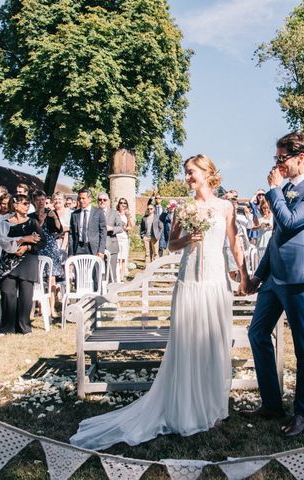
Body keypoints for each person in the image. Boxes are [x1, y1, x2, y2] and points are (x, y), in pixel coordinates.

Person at [71, 154, 248, 449]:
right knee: (189, 344)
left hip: (217, 283)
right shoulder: (184, 207)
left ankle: (214, 407)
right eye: (186, 173)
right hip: (189, 283)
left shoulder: (226, 207)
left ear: (207, 173)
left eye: (192, 172)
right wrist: (189, 238)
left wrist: (244, 276)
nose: (188, 178)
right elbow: (171, 244)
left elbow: (234, 244)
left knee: (214, 344)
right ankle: (188, 408)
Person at [241, 132, 304, 437]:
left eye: (281, 158)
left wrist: (274, 191)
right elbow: (277, 239)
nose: (277, 164)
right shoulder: (284, 189)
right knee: (257, 333)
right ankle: (271, 403)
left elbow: (291, 222)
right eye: (276, 159)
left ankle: (303, 412)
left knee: (303, 347)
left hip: (297, 277)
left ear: (300, 158)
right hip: (274, 276)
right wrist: (257, 275)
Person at [0, 194, 45, 334]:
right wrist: (24, 239)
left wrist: (27, 247)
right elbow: (4, 242)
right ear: (15, 205)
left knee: (25, 295)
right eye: (24, 203)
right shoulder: (5, 223)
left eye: (28, 203)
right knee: (7, 293)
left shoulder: (32, 223)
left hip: (27, 261)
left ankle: (24, 327)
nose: (27, 205)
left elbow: (42, 242)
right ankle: (7, 327)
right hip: (8, 263)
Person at [30, 190, 64, 317]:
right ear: (34, 201)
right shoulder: (31, 216)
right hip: (38, 247)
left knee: (52, 279)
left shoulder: (51, 213)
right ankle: (39, 307)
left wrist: (54, 216)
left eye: (43, 199)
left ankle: (52, 308)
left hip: (50, 247)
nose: (41, 202)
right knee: (38, 279)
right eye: (38, 200)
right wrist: (41, 220)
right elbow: (34, 229)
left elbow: (59, 229)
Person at [68, 189, 107, 259]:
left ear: (90, 199)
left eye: (83, 198)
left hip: (93, 248)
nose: (81, 200)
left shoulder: (98, 212)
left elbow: (103, 232)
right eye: (79, 198)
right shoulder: (74, 214)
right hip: (78, 248)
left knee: (93, 269)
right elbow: (71, 234)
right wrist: (70, 253)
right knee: (79, 269)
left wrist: (101, 250)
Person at [98, 192, 124, 283]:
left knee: (111, 272)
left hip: (111, 245)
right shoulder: (94, 212)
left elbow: (121, 227)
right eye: (100, 200)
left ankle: (111, 293)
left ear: (108, 201)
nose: (102, 201)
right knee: (97, 272)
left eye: (104, 200)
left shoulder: (114, 213)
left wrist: (111, 228)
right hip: (97, 247)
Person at [115, 198, 133, 281]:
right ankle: (117, 276)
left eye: (124, 203)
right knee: (117, 258)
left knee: (123, 259)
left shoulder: (128, 215)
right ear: (118, 204)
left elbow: (131, 227)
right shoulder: (115, 214)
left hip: (124, 238)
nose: (123, 204)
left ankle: (122, 277)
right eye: (121, 202)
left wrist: (128, 217)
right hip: (116, 238)